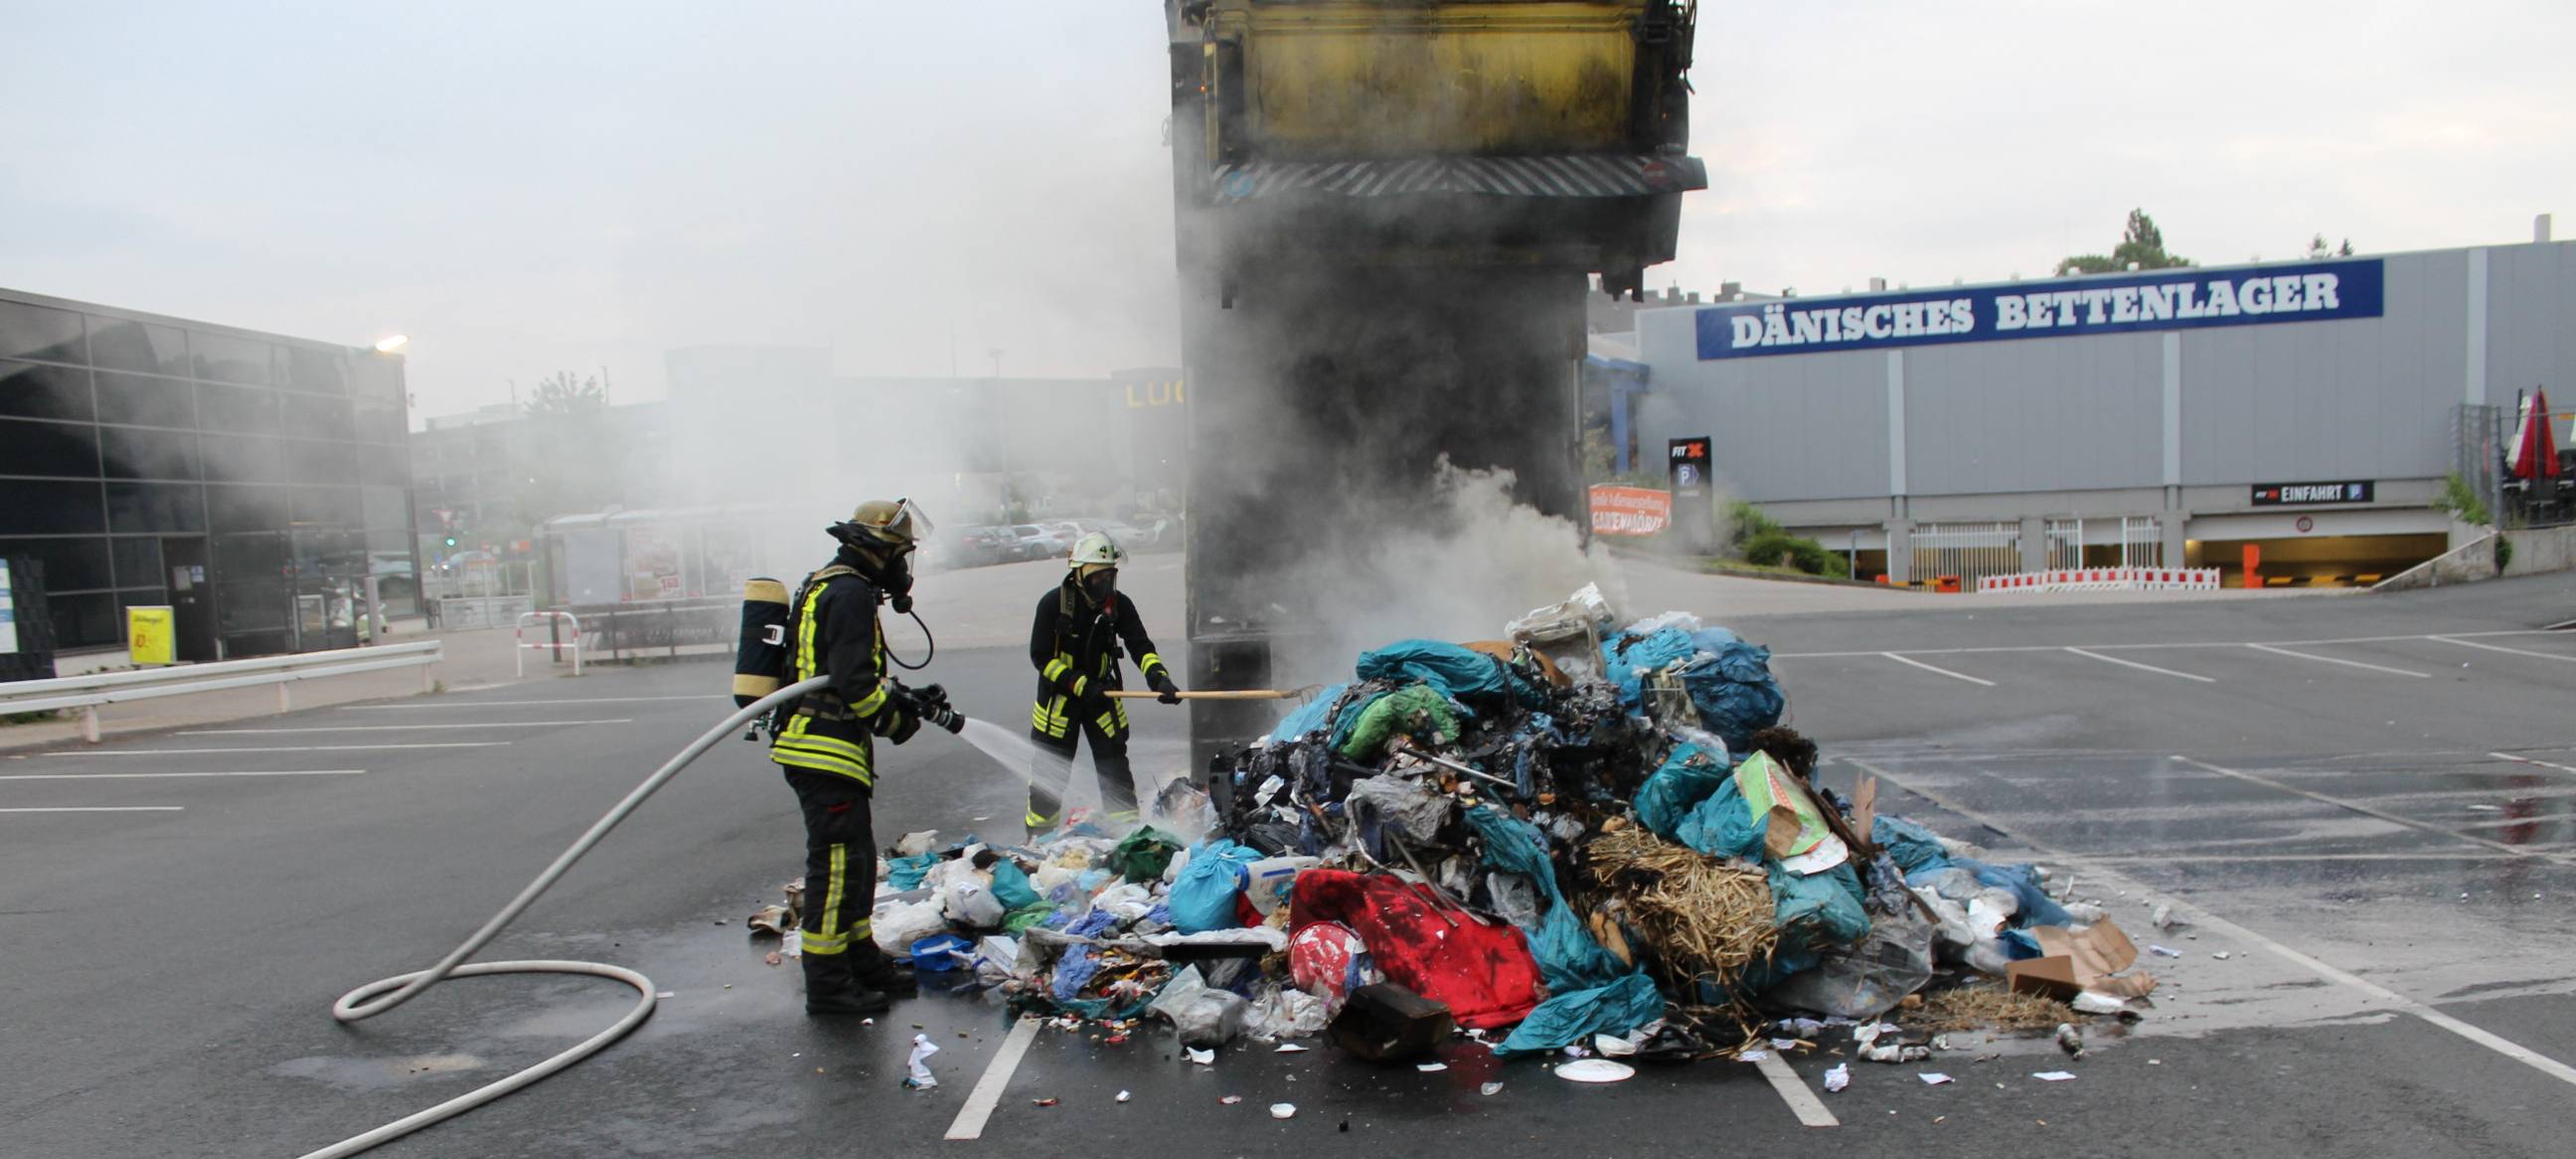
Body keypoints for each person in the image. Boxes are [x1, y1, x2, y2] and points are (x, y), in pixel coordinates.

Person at [772, 499, 932, 1016]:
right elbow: (854, 683)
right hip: (822, 748)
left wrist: (905, 696)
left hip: (830, 747)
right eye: (901, 553)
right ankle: (828, 984)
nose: (904, 567)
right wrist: (896, 721)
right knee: (838, 869)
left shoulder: (836, 585)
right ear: (879, 550)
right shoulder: (849, 593)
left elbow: (847, 670)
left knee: (858, 862)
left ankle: (861, 959)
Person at [1025, 532, 1179, 837]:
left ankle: (1128, 837)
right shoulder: (1053, 604)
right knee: (1049, 777)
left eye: (1110, 576)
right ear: (1079, 573)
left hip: (1101, 698)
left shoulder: (1118, 605)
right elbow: (1040, 656)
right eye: (1098, 578)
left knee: (1115, 774)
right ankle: (1037, 843)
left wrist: (1158, 678)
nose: (1105, 584)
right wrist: (1078, 682)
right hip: (1059, 704)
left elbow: (1140, 645)